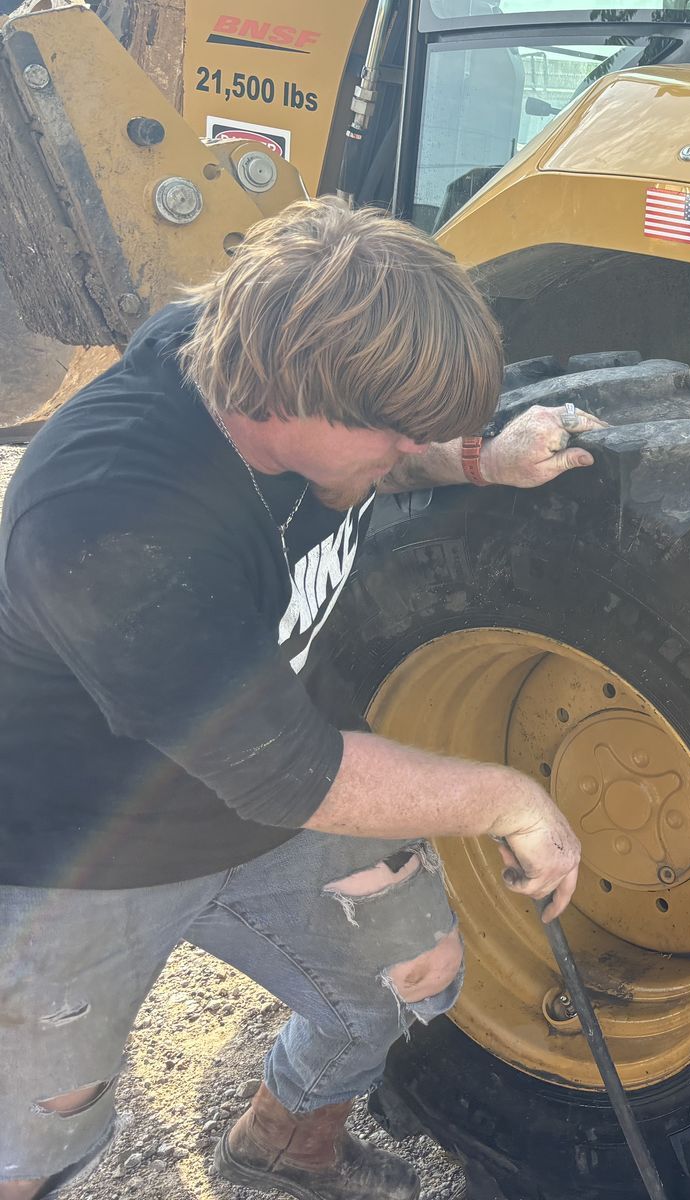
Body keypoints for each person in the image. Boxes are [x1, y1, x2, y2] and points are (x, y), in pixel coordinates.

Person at [0, 197, 603, 1200]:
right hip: (77, 845)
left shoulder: (264, 365)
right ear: (284, 397)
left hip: (257, 785)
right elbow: (295, 776)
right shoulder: (107, 520)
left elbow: (277, 767)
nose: (403, 454)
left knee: (408, 976)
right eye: (398, 434)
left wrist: (475, 459)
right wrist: (510, 799)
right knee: (36, 1124)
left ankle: (285, 1141)